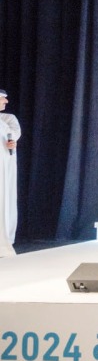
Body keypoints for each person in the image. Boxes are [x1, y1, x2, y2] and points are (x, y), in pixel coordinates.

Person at [0, 89, 20, 257]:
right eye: (2, 99)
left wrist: (11, 142)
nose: (5, 102)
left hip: (4, 166)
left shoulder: (8, 119)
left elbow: (13, 134)